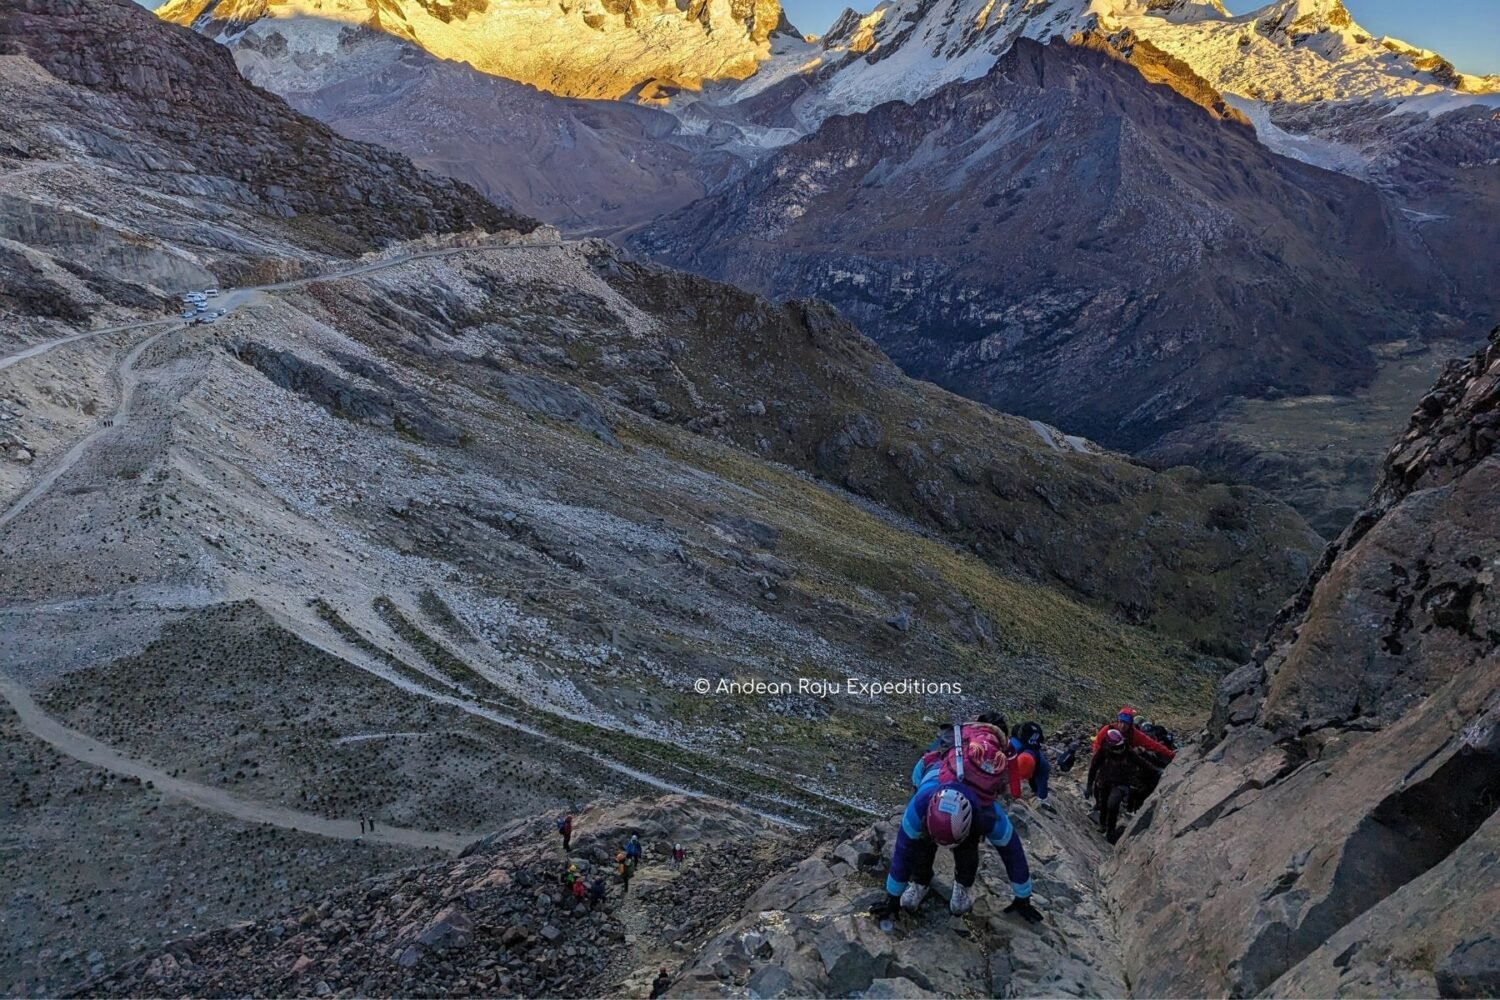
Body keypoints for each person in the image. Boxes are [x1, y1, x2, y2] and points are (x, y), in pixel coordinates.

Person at [876, 722, 1042, 924]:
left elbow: (1012, 850)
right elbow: (903, 849)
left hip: (967, 815)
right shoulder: (919, 804)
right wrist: (892, 897)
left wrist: (1023, 897)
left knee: (967, 848)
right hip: (931, 775)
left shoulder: (988, 815)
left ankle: (962, 884)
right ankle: (920, 881)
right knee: (921, 845)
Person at [1086, 729, 1166, 843]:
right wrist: (1089, 786)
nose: (1119, 750)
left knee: (1113, 804)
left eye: (1121, 746)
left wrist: (1157, 771)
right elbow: (1093, 768)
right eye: (1116, 748)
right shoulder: (1103, 751)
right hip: (1104, 782)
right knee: (1103, 804)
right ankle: (1103, 824)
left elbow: (1141, 762)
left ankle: (1110, 831)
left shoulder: (1127, 751)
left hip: (1121, 783)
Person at [1009, 720, 1051, 802]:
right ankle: (1041, 799)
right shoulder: (1039, 756)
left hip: (1025, 761)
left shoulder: (1015, 744)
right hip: (1037, 761)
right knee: (1040, 784)